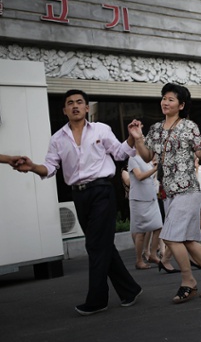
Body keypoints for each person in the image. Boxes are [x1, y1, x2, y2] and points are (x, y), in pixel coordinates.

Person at [15, 89, 142, 315]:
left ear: (86, 107)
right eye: (70, 103)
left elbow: (121, 153)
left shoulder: (101, 130)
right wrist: (33, 167)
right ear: (64, 110)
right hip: (79, 195)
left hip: (102, 190)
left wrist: (132, 136)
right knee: (102, 244)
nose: (75, 106)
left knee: (94, 245)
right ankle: (129, 289)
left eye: (79, 102)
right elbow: (50, 167)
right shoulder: (57, 139)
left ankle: (97, 299)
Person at [128, 82, 201, 304]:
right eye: (164, 98)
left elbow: (199, 153)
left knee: (170, 236)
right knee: (189, 240)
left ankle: (188, 281)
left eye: (171, 99)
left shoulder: (189, 126)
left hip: (188, 188)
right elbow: (145, 156)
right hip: (167, 192)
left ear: (181, 105)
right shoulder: (155, 128)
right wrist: (137, 137)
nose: (165, 102)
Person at [127, 155, 163, 269]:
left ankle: (152, 254)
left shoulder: (148, 161)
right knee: (140, 232)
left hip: (151, 198)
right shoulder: (132, 158)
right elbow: (139, 176)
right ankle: (139, 260)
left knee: (159, 226)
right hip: (139, 199)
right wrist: (154, 169)